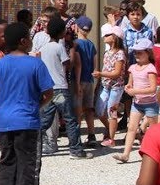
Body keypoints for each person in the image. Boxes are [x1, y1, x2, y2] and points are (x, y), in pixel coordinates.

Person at [0, 22, 54, 185]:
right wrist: (36, 106)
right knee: (28, 164)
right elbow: (48, 93)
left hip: (6, 120)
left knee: (7, 161)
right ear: (24, 41)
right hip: (28, 120)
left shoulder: (1, 63)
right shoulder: (35, 64)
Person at [38, 17, 83, 158]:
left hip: (48, 89)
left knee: (44, 121)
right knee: (70, 119)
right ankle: (75, 150)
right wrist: (72, 52)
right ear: (61, 32)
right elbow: (67, 64)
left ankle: (35, 148)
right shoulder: (59, 47)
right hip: (61, 88)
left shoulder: (43, 48)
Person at [115, 39, 159, 163]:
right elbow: (130, 83)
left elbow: (152, 89)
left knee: (154, 131)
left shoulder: (150, 68)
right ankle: (125, 154)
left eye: (140, 53)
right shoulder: (133, 68)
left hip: (150, 104)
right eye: (135, 53)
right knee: (131, 128)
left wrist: (136, 92)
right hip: (137, 103)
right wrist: (128, 87)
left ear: (148, 53)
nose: (137, 55)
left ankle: (159, 153)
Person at [92, 25, 127, 147]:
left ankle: (111, 138)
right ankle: (110, 128)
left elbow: (117, 73)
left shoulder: (120, 54)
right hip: (105, 85)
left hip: (116, 87)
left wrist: (100, 74)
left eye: (107, 35)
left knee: (112, 111)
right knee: (99, 109)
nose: (104, 37)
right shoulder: (107, 53)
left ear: (115, 37)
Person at [72, 16, 97, 146]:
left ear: (77, 27)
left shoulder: (75, 44)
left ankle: (77, 137)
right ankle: (91, 135)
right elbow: (94, 64)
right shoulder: (91, 45)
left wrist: (76, 83)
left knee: (78, 110)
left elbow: (77, 64)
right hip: (90, 80)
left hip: (79, 80)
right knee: (89, 109)